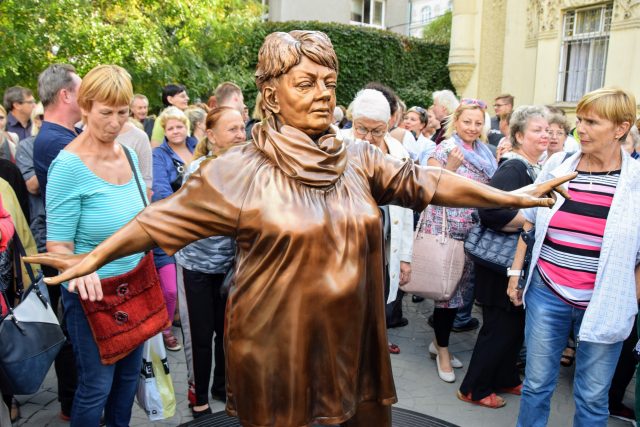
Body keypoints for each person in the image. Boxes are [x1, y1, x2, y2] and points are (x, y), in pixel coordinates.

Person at [26, 31, 573, 427]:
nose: (321, 92)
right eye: (305, 82)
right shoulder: (237, 170)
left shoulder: (359, 157)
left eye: (329, 82)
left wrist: (509, 194)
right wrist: (88, 259)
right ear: (271, 95)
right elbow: (156, 222)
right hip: (274, 345)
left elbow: (429, 183)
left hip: (353, 341)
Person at [507, 88, 640, 427]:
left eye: (592, 122)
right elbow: (531, 222)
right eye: (579, 120)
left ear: (621, 128)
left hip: (604, 302)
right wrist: (514, 273)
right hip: (547, 293)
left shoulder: (635, 183)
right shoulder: (558, 164)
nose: (581, 129)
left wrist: (630, 299)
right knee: (536, 386)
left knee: (593, 398)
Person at [45, 64, 148, 427]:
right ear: (84, 107)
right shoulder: (68, 166)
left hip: (135, 289)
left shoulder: (130, 157)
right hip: (91, 298)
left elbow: (139, 221)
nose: (116, 122)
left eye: (123, 112)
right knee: (97, 387)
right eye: (106, 113)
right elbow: (57, 245)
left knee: (126, 383)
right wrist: (80, 269)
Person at [458, 105, 550, 408]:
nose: (545, 134)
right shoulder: (514, 167)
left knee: (514, 326)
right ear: (520, 136)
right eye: (537, 130)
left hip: (516, 263)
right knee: (499, 327)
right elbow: (489, 211)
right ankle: (474, 388)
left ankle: (507, 378)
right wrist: (528, 223)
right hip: (500, 263)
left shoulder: (537, 167)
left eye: (547, 129)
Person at [420, 99, 497, 383]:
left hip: (475, 234)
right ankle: (442, 349)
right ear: (456, 121)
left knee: (460, 296)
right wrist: (449, 168)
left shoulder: (486, 154)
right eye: (467, 121)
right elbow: (429, 190)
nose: (473, 128)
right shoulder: (443, 149)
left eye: (478, 123)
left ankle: (437, 342)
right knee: (447, 296)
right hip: (448, 232)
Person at [175, 106, 246, 418]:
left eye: (242, 128)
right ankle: (199, 398)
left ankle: (222, 387)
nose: (240, 135)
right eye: (232, 130)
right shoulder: (197, 171)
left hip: (231, 269)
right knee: (200, 337)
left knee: (227, 334)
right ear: (211, 136)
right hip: (197, 268)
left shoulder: (248, 168)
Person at [31, 62, 82, 420]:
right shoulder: (55, 140)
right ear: (66, 95)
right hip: (68, 248)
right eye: (83, 92)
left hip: (74, 244)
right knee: (72, 331)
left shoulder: (63, 135)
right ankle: (71, 403)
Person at [347, 88, 414, 347]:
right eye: (362, 129)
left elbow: (407, 208)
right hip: (348, 250)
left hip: (384, 250)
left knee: (379, 302)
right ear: (352, 121)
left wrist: (405, 257)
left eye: (377, 131)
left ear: (389, 125)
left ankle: (371, 353)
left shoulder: (398, 152)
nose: (369, 137)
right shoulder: (336, 145)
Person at [152, 106, 197, 351]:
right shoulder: (160, 154)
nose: (176, 131)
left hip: (200, 227)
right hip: (171, 225)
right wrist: (180, 213)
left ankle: (184, 326)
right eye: (170, 128)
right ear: (164, 131)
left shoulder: (196, 146)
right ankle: (165, 329)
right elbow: (160, 190)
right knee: (169, 288)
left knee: (191, 286)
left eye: (179, 126)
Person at [116, 119, 153, 198]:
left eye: (121, 112)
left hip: (131, 199)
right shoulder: (83, 132)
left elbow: (146, 179)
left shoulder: (139, 138)